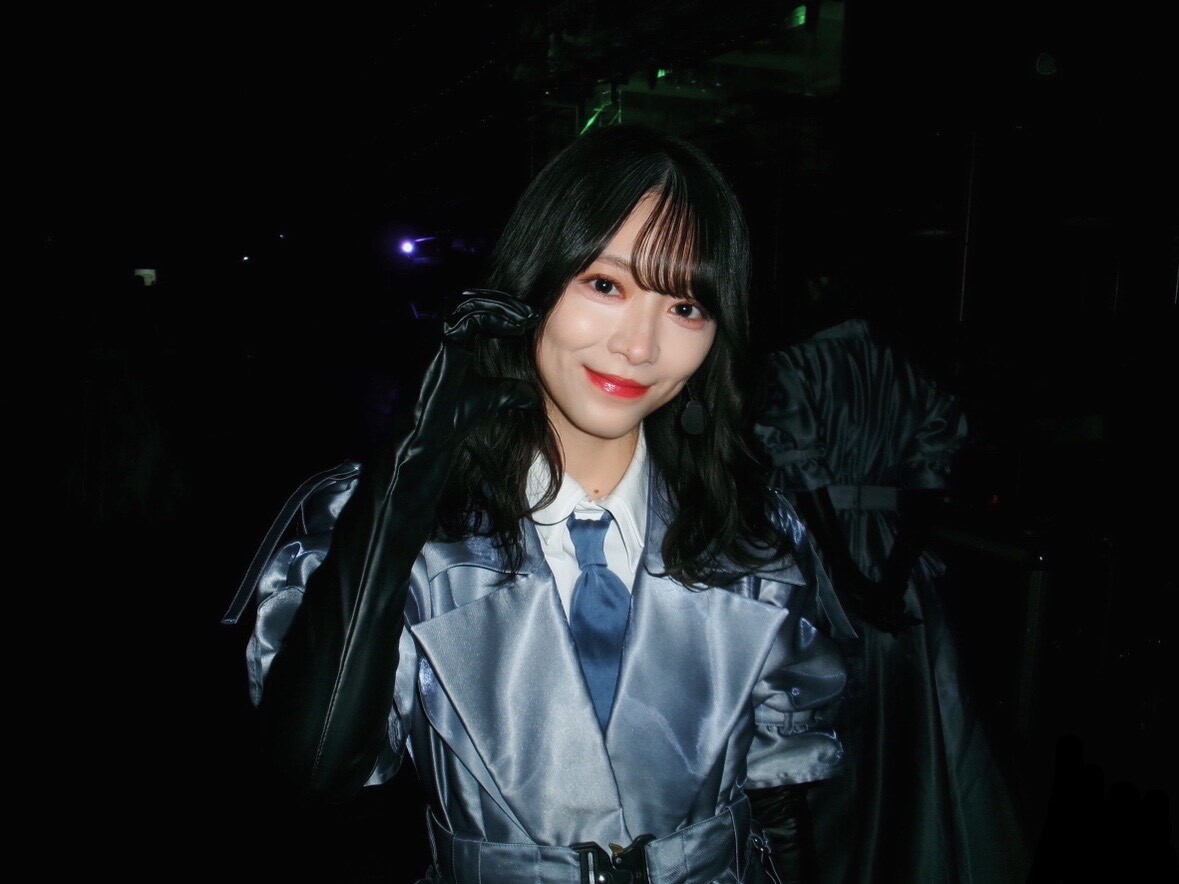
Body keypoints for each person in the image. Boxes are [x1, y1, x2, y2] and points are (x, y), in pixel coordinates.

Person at [240, 124, 851, 883]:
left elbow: (781, 802)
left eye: (686, 306)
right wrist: (395, 508)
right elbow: (317, 769)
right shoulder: (408, 526)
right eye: (606, 286)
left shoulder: (752, 536)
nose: (639, 347)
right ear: (532, 282)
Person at [752, 266, 1032, 882]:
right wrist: (895, 569)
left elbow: (804, 479)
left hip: (817, 552)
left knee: (816, 725)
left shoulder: (794, 364)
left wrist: (841, 572)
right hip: (890, 551)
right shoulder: (909, 367)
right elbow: (930, 480)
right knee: (897, 726)